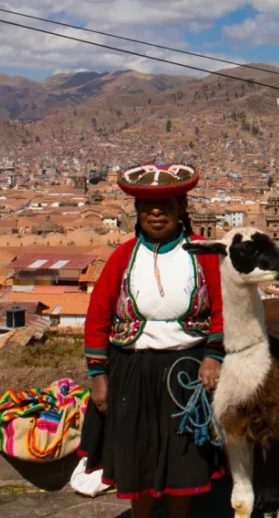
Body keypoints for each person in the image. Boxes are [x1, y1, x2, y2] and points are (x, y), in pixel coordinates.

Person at [80, 163, 225, 518]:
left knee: (184, 456)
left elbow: (222, 310)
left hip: (186, 371)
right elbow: (97, 316)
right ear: (137, 212)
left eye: (166, 205)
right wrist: (99, 377)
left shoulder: (203, 255)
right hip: (132, 371)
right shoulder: (122, 258)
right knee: (136, 455)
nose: (156, 213)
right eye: (148, 207)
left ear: (182, 209)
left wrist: (213, 356)